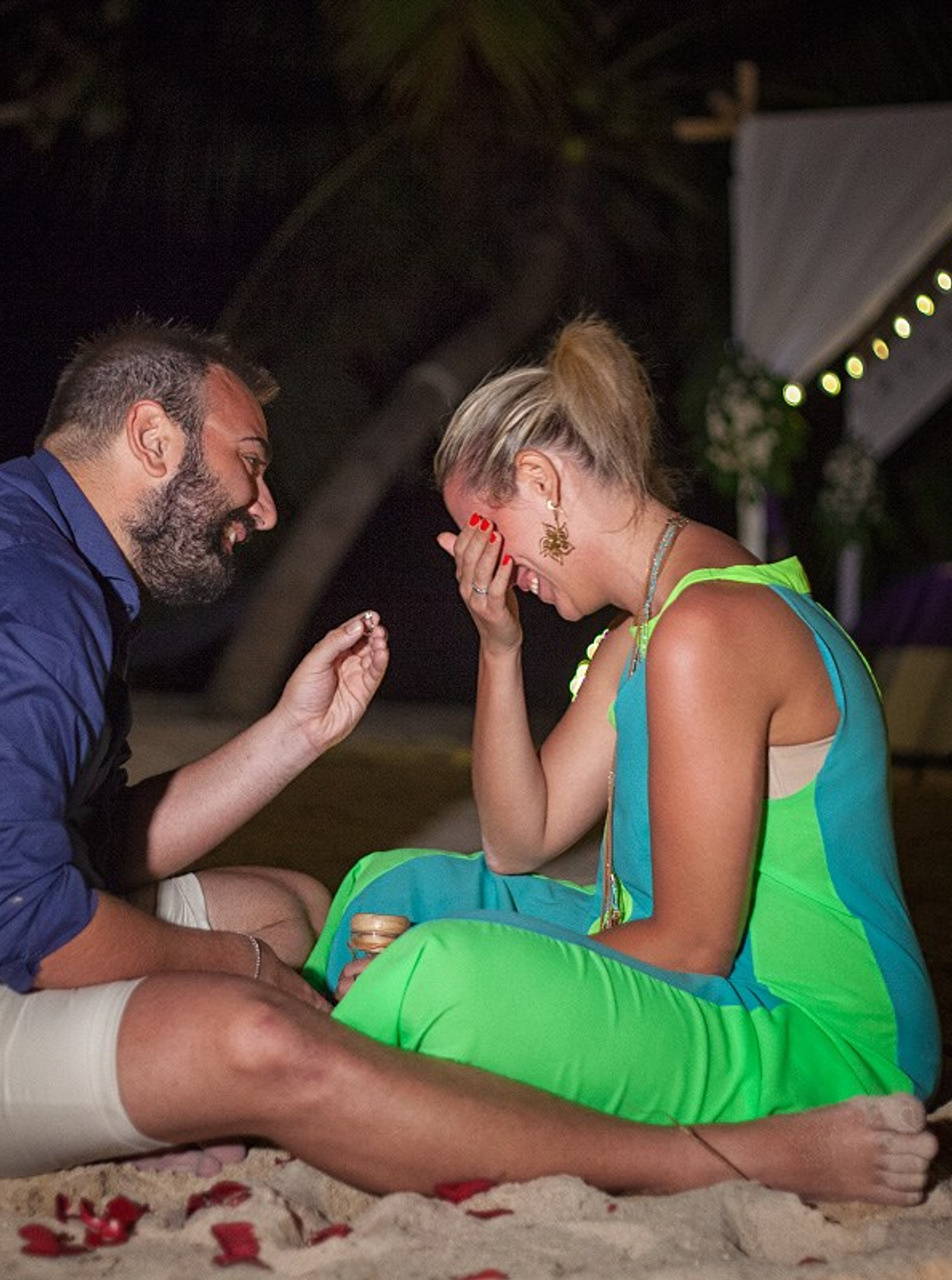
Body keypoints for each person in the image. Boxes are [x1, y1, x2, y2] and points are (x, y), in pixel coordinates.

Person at [0, 320, 936, 1207]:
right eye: (251, 462)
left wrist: (293, 741)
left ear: (541, 484)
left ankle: (358, 1061)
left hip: (773, 1011)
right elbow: (30, 913)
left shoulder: (694, 630)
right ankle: (389, 1078)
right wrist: (254, 977)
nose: (265, 506)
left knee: (344, 934)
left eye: (481, 530)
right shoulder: (23, 594)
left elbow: (81, 851)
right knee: (346, 940)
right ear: (153, 439)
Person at [307, 317, 941, 1134]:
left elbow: (694, 945)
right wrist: (499, 645)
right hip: (684, 973)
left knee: (442, 972)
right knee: (392, 888)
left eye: (484, 534)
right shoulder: (640, 635)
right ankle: (352, 1045)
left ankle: (327, 1064)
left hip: (816, 1034)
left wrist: (476, 967)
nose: (488, 565)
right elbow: (518, 841)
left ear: (540, 480)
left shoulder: (711, 629)